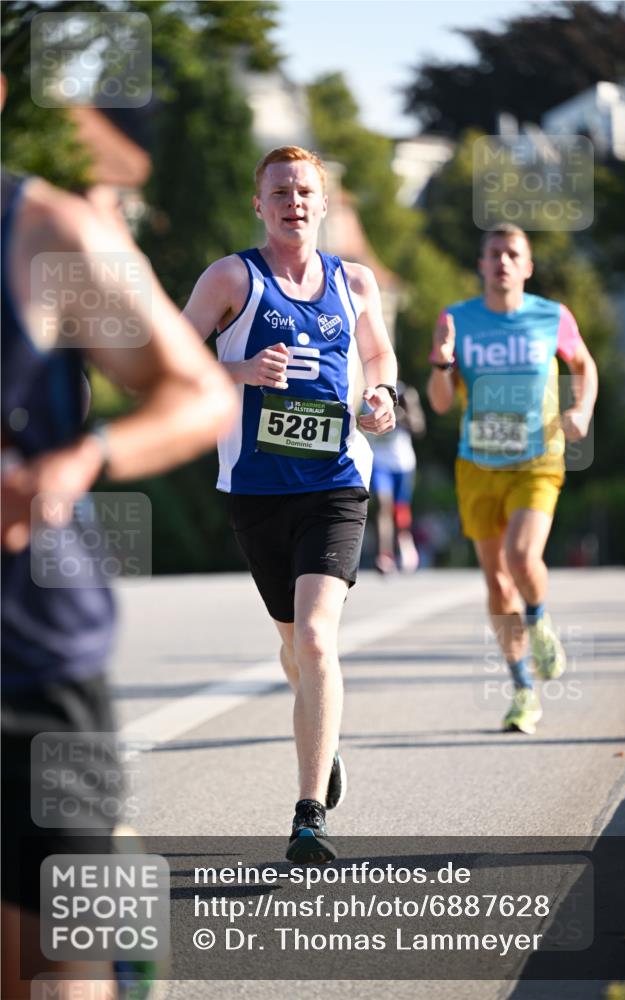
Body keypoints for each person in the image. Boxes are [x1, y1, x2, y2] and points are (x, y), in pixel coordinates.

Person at [1, 153, 237, 997]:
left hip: (33, 664)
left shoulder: (45, 234)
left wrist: (77, 462)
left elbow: (200, 394)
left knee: (52, 972)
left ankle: (111, 944)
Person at [183, 145, 398, 862]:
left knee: (313, 638)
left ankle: (308, 817)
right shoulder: (230, 279)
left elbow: (381, 359)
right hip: (255, 488)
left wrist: (380, 397)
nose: (293, 203)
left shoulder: (355, 282)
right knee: (291, 643)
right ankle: (322, 738)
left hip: (336, 483)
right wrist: (237, 367)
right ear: (259, 203)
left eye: (304, 191)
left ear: (323, 202)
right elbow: (171, 363)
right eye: (279, 192)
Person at [427, 222, 598, 735]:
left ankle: (540, 617)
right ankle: (523, 689)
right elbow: (439, 404)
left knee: (523, 558)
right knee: (497, 583)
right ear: (481, 265)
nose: (502, 261)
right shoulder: (456, 319)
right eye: (494, 253)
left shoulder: (553, 316)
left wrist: (582, 409)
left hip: (536, 459)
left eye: (512, 254)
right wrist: (440, 362)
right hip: (477, 464)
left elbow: (585, 365)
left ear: (527, 266)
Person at [370, 380, 425, 573]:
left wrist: (401, 416)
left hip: (402, 463)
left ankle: (404, 540)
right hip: (379, 462)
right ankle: (384, 555)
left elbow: (419, 427)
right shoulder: (364, 394)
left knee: (399, 510)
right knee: (383, 506)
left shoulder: (405, 393)